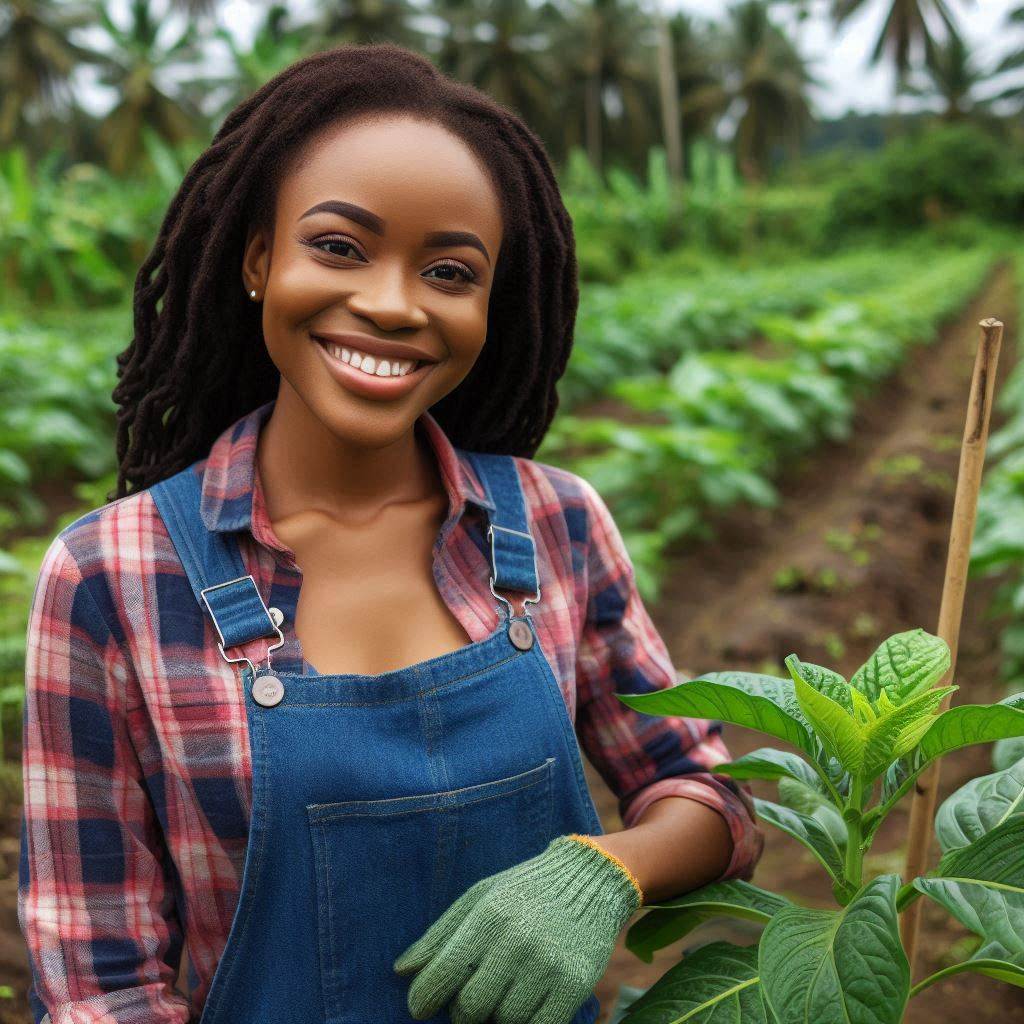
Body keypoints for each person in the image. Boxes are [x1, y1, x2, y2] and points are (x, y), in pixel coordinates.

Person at [18, 42, 764, 1024]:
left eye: (448, 270)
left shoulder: (554, 524)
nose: (391, 303)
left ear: (490, 304)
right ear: (258, 258)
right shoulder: (111, 575)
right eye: (338, 245)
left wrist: (607, 866)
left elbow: (704, 791)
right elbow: (98, 986)